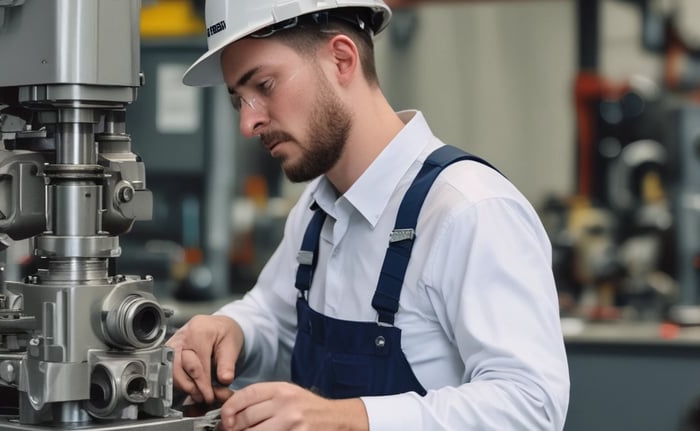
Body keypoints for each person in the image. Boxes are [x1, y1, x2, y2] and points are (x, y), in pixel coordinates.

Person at [166, 0, 570, 429]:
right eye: (239, 101)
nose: (248, 123)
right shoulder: (316, 210)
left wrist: (347, 419)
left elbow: (532, 405)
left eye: (264, 85)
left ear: (341, 59)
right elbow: (275, 318)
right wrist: (232, 331)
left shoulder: (468, 210)